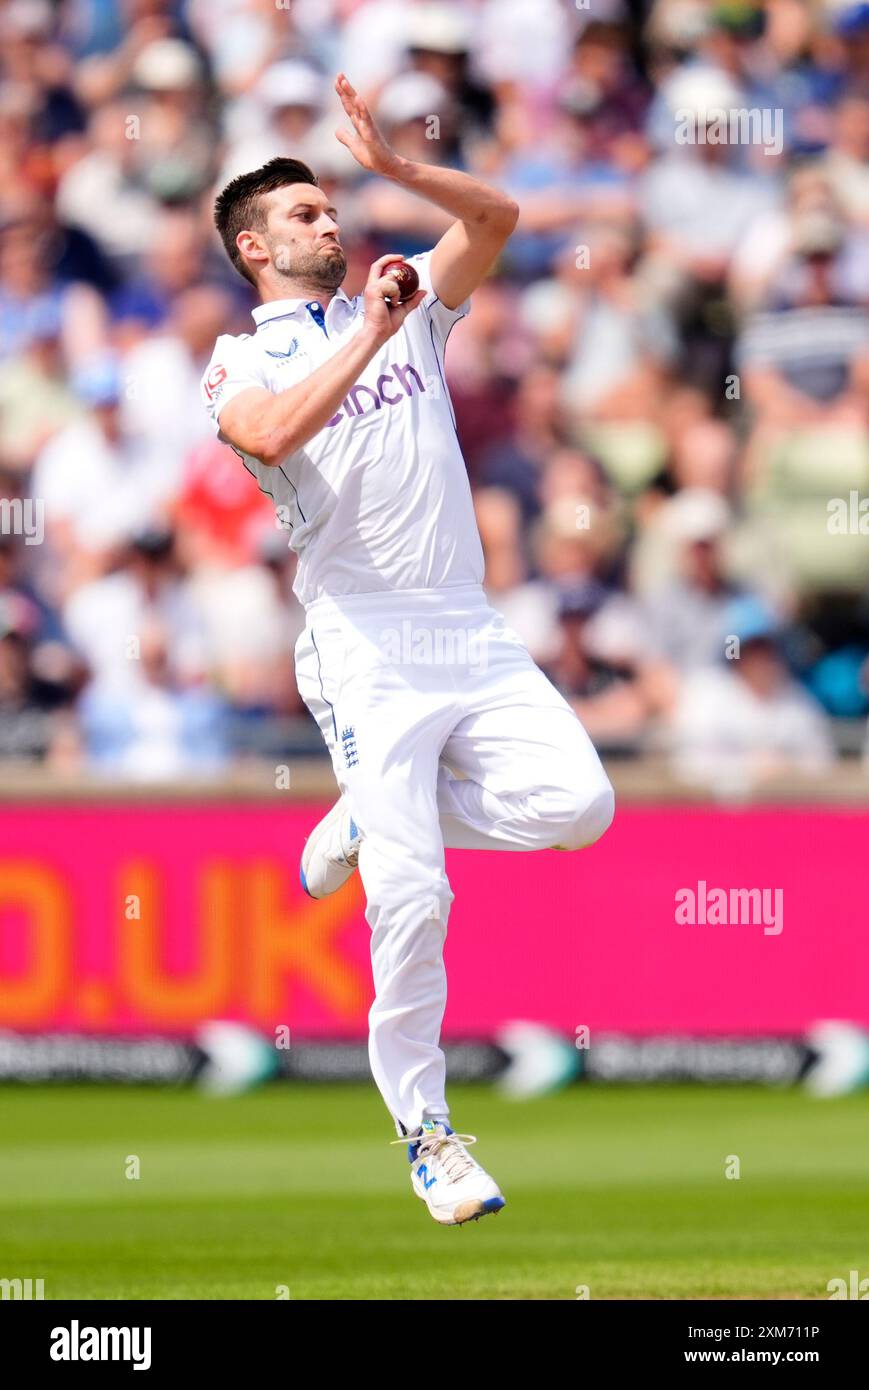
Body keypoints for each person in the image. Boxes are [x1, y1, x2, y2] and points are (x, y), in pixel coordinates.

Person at [201, 74, 615, 1227]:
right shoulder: (241, 358)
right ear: (254, 246)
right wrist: (373, 331)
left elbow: (496, 222)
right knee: (414, 897)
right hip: (364, 646)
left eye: (333, 208)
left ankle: (366, 816)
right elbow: (273, 434)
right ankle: (428, 1137)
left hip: (465, 627)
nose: (327, 224)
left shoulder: (406, 296)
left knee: (577, 805)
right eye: (302, 216)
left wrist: (397, 170)